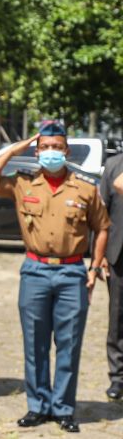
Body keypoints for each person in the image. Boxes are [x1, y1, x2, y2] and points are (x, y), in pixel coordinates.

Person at [0, 121, 109, 433]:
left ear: (67, 151)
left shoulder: (86, 188)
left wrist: (94, 267)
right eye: (45, 147)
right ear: (36, 152)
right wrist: (15, 149)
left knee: (69, 343)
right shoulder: (23, 183)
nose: (51, 152)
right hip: (35, 270)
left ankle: (63, 408)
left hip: (72, 272)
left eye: (57, 147)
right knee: (34, 343)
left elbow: (102, 227)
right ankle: (37, 406)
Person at [105, 161, 123, 400]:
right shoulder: (114, 165)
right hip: (120, 253)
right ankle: (118, 376)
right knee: (117, 317)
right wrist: (98, 256)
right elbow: (102, 212)